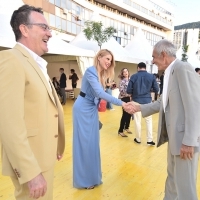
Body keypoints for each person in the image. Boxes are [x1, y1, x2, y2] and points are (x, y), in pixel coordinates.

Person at [0, 4, 65, 200]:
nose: (50, 33)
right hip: (32, 165)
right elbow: (9, 123)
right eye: (44, 27)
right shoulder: (11, 60)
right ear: (24, 29)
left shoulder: (35, 63)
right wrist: (29, 172)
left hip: (43, 157)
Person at [131, 39, 200, 200]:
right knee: (172, 180)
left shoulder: (183, 68)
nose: (153, 61)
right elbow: (162, 104)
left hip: (185, 141)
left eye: (154, 57)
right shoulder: (169, 74)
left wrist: (189, 141)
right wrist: (139, 107)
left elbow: (195, 106)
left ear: (163, 55)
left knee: (185, 187)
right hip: (174, 139)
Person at [73, 49, 133, 189]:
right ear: (99, 57)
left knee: (92, 144)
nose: (109, 62)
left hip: (91, 109)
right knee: (85, 145)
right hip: (82, 109)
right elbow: (99, 93)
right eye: (107, 59)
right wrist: (122, 103)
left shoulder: (100, 74)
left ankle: (92, 177)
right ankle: (85, 180)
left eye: (110, 61)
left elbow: (98, 94)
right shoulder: (90, 71)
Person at [127, 62, 159, 146]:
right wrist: (149, 89)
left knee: (137, 121)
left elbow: (128, 90)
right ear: (145, 68)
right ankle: (149, 140)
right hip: (147, 101)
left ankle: (138, 139)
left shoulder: (134, 76)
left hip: (136, 100)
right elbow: (157, 89)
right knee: (148, 121)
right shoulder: (151, 76)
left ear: (138, 68)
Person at [118, 68, 132, 137]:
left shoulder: (130, 80)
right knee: (125, 114)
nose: (125, 72)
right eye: (124, 72)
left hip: (130, 98)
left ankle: (127, 127)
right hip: (124, 98)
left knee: (129, 113)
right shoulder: (122, 81)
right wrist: (129, 94)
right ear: (122, 74)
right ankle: (120, 130)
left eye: (126, 71)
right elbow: (121, 91)